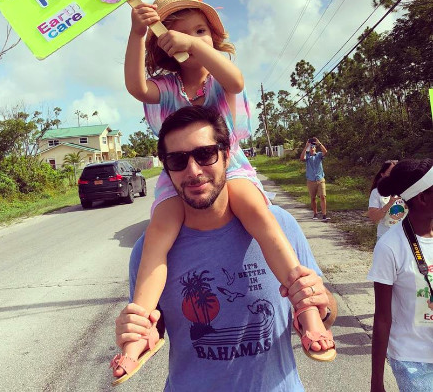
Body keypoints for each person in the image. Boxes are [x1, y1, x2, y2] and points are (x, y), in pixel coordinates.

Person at [111, 0, 336, 384]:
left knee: (262, 219)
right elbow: (135, 86)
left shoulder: (219, 80)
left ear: (214, 38)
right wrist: (135, 34)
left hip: (231, 167)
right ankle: (137, 340)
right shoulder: (164, 87)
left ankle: (309, 313)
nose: (191, 39)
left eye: (201, 31)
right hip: (174, 177)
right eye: (178, 33)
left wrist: (194, 45)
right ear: (163, 43)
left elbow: (236, 78)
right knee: (158, 235)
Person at [115, 106, 338, 391]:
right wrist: (135, 331)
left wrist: (322, 308)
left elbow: (329, 311)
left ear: (226, 155)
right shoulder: (147, 250)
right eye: (177, 160)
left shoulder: (280, 224)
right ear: (166, 168)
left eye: (205, 154)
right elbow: (155, 327)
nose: (193, 171)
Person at [368, 158, 433, 392]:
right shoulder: (390, 246)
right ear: (422, 198)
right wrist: (377, 382)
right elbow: (382, 318)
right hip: (413, 361)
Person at [368, 160, 408, 241]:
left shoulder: (408, 190)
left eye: (396, 173)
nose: (394, 177)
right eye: (390, 173)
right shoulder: (376, 192)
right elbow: (373, 217)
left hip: (406, 237)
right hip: (385, 236)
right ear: (382, 175)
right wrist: (389, 204)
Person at [300, 138, 330, 221]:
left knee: (323, 196)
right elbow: (302, 158)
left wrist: (319, 143)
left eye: (313, 146)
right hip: (311, 180)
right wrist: (306, 146)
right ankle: (315, 214)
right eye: (311, 146)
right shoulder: (307, 157)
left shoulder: (319, 155)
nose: (312, 147)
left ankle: (324, 215)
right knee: (313, 198)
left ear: (315, 148)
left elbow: (325, 152)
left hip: (320, 179)